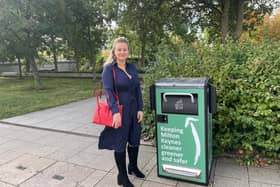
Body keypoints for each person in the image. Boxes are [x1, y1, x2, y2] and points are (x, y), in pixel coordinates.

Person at [98, 37, 145, 187]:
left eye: (124, 49)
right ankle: (122, 176)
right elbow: (108, 92)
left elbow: (137, 89)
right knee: (120, 142)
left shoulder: (131, 67)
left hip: (133, 110)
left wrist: (140, 108)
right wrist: (114, 112)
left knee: (135, 138)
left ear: (128, 51)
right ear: (114, 51)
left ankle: (133, 166)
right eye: (119, 49)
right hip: (120, 111)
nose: (122, 52)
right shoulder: (109, 69)